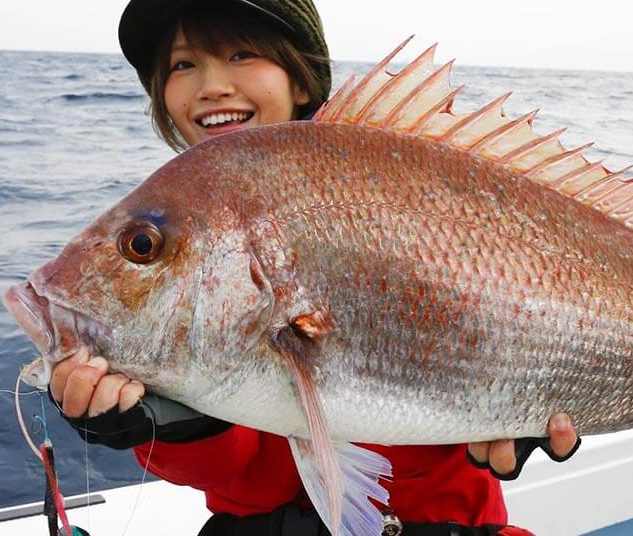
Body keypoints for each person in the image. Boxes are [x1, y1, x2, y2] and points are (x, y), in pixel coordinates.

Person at [49, 1, 579, 534]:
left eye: (242, 53)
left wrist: (506, 422)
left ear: (301, 78)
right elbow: (241, 469)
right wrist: (165, 428)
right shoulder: (193, 215)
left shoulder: (362, 183)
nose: (212, 85)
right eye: (184, 65)